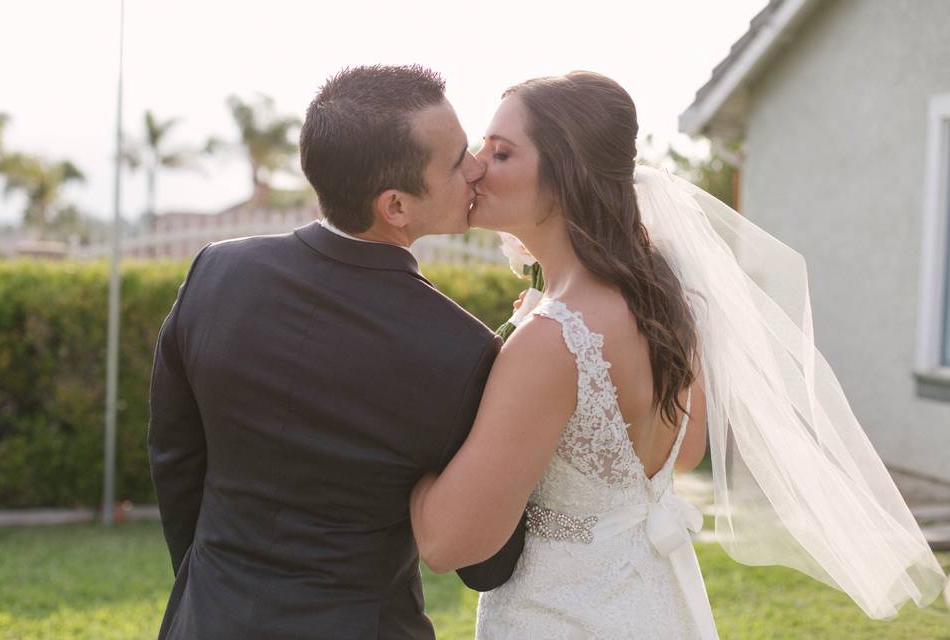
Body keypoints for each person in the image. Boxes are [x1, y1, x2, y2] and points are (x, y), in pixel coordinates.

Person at [409, 71, 947, 639]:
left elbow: (450, 543)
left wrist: (398, 465)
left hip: (559, 616)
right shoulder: (665, 299)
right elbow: (683, 452)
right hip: (651, 604)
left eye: (501, 152)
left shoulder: (552, 340)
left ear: (567, 175)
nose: (474, 165)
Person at [148, 64, 524, 640]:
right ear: (395, 206)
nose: (476, 165)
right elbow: (484, 561)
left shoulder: (216, 272)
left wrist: (206, 589)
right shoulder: (462, 351)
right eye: (456, 161)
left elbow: (175, 456)